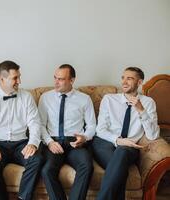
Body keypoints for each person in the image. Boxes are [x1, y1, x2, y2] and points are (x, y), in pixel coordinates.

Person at [0, 60, 43, 200]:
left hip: (21, 143)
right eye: (15, 78)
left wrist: (33, 143)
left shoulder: (27, 97)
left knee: (36, 160)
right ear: (2, 79)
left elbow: (35, 123)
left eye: (19, 76)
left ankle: (23, 198)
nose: (19, 81)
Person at [92, 67, 160, 200]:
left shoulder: (148, 103)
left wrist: (141, 111)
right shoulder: (109, 99)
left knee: (121, 155)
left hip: (128, 148)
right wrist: (118, 140)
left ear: (139, 82)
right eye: (123, 78)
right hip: (104, 142)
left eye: (129, 78)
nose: (124, 82)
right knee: (119, 170)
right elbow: (100, 130)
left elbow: (153, 136)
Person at [39, 64, 96, 200]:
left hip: (75, 142)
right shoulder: (45, 98)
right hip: (53, 142)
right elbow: (40, 125)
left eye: (61, 79)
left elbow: (92, 125)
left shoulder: (84, 99)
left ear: (72, 80)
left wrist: (85, 137)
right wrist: (50, 142)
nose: (56, 82)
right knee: (47, 171)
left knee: (87, 166)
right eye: (55, 78)